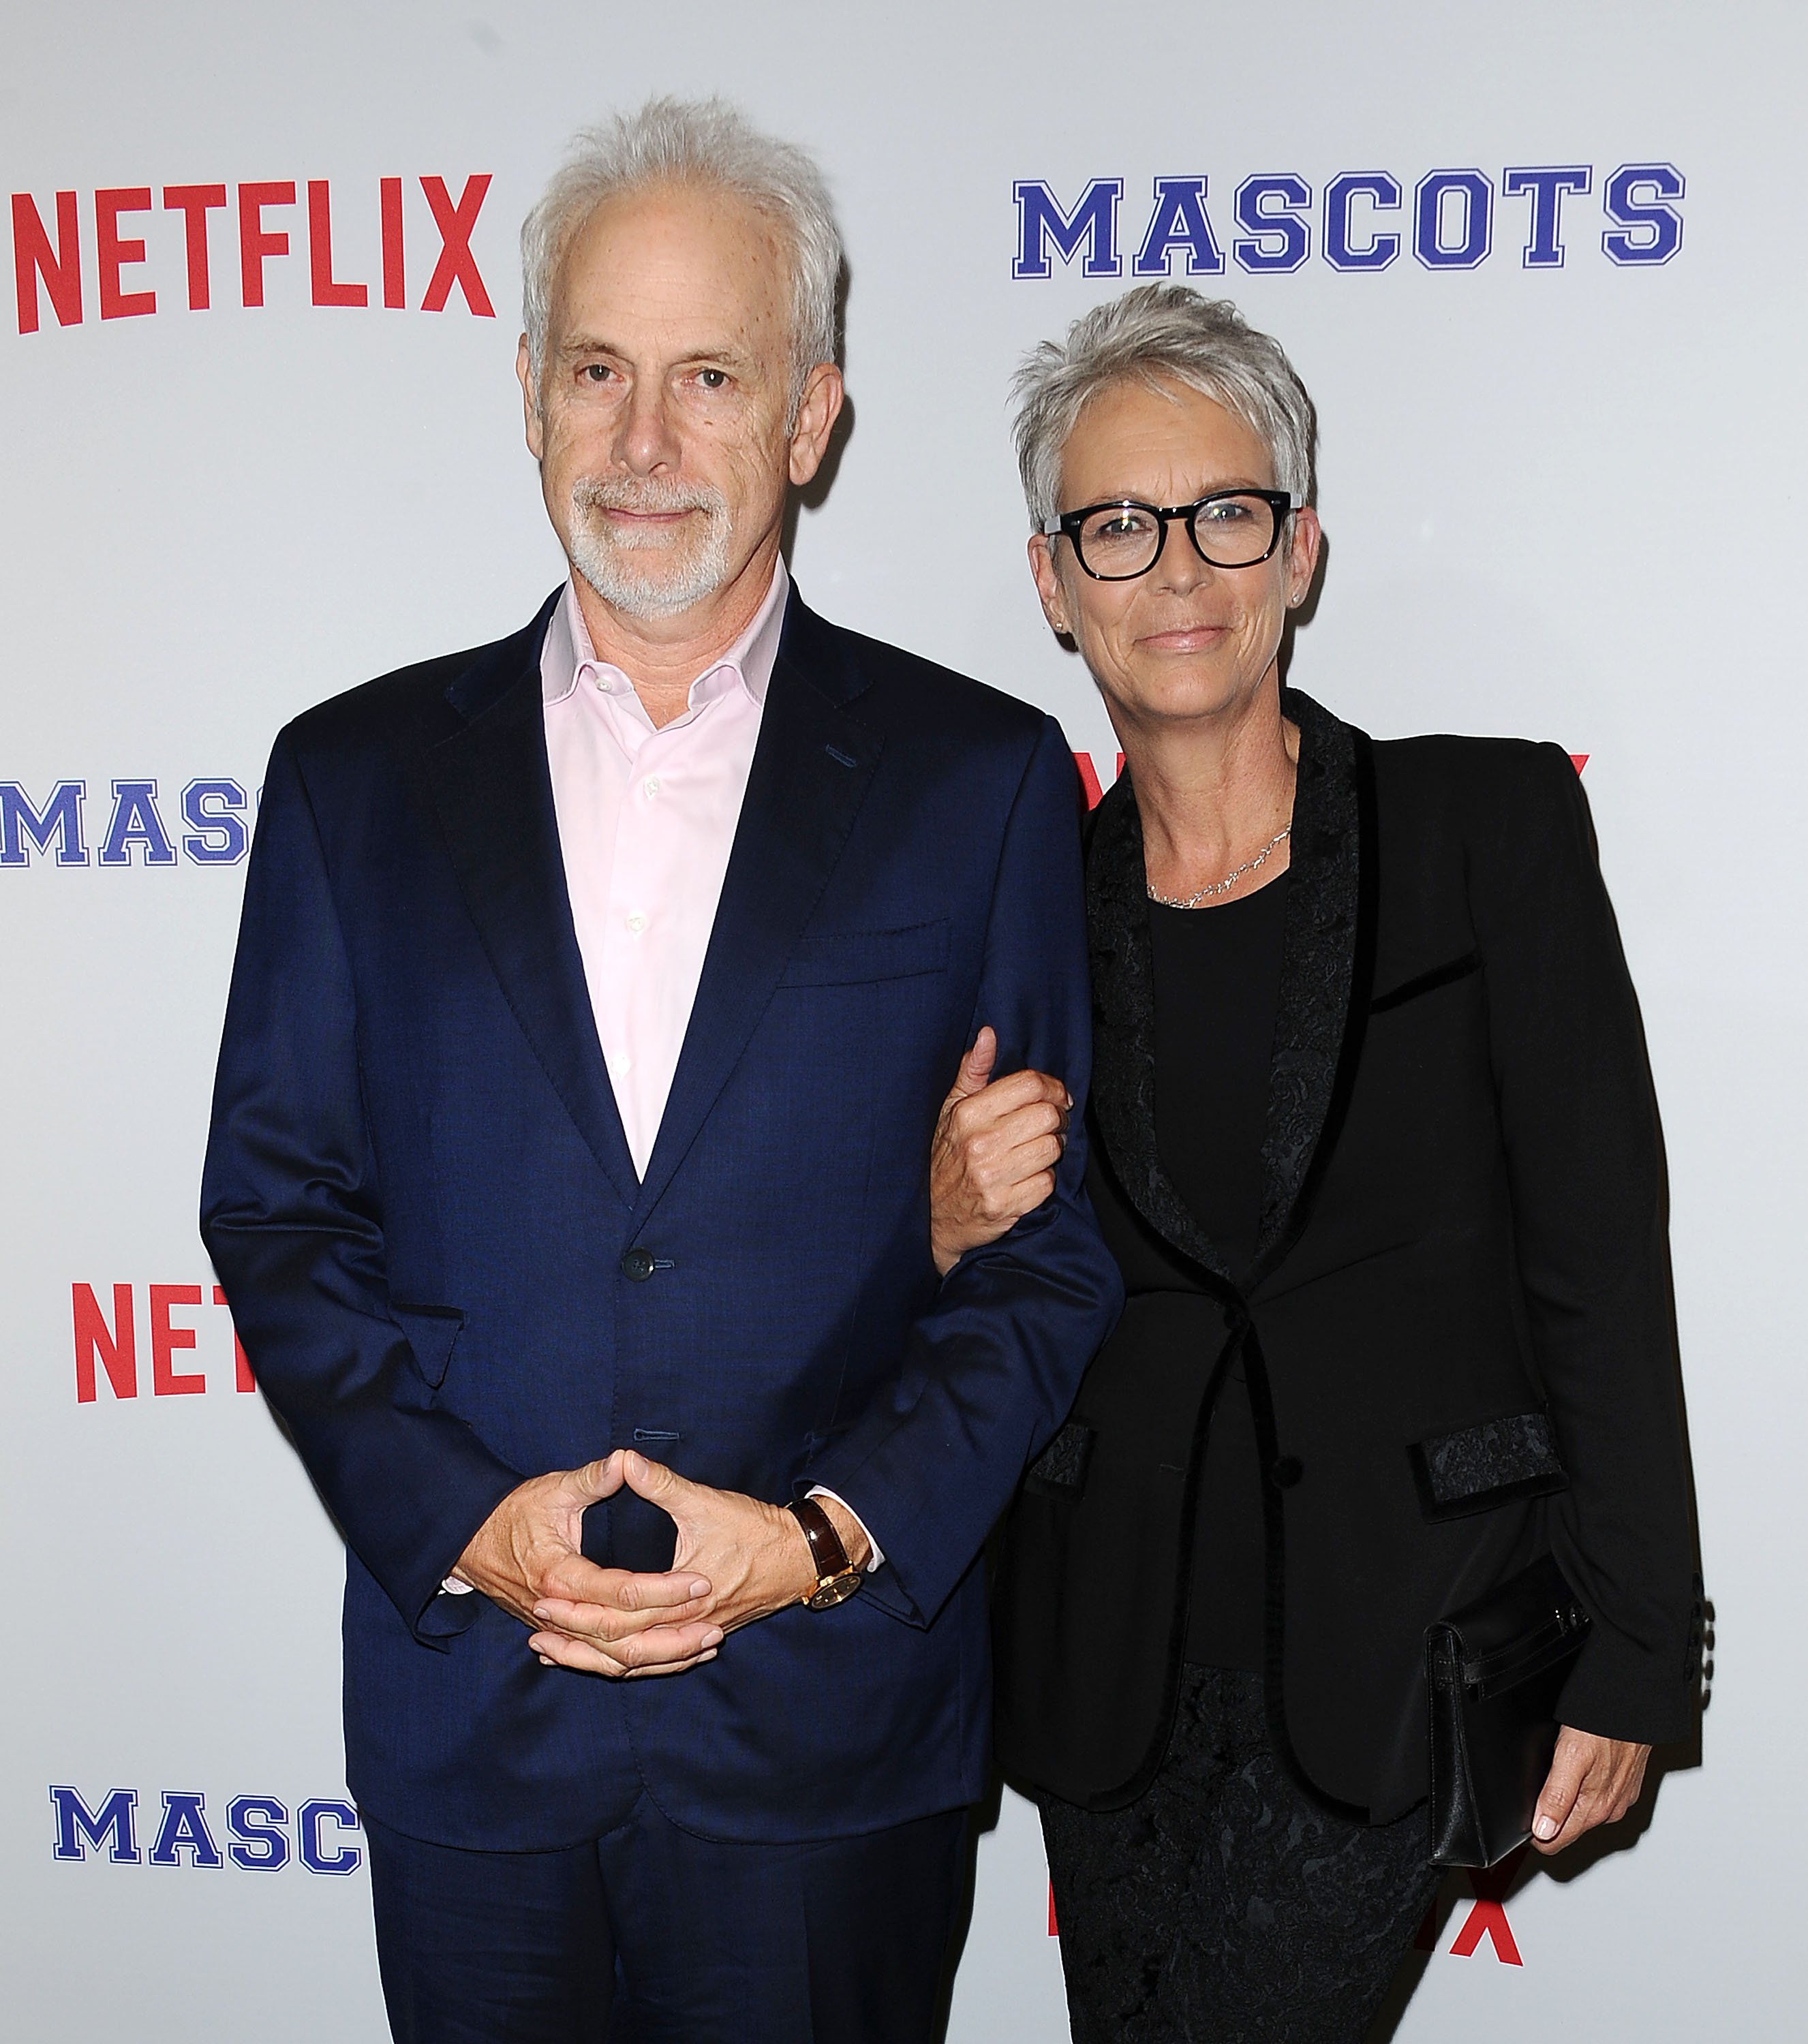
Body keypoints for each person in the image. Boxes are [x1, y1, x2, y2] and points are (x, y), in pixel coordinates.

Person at [200, 97, 1120, 2044]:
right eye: (601, 372)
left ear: (812, 417)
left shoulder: (980, 786)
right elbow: (278, 1211)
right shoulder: (350, 786)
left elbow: (1048, 1262)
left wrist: (818, 1540)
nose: (644, 442)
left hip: (826, 1730)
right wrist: (466, 1520)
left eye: (710, 377)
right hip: (478, 1728)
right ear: (528, 395)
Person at [930, 283, 1700, 2043]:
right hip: (1112, 1669)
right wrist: (936, 1225)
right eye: (1119, 526)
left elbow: (1598, 1264)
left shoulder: (1484, 835)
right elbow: (947, 1285)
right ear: (1056, 584)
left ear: (1303, 551)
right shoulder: (1016, 900)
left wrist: (1640, 1651)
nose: (1180, 568)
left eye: (1229, 514)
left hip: (1403, 1647)